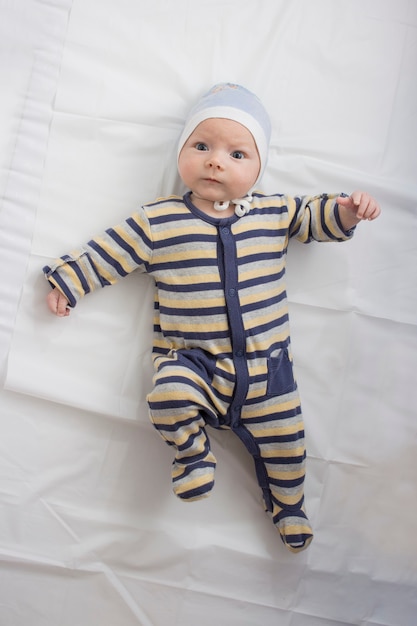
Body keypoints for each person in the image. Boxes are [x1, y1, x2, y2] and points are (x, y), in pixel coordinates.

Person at [43, 83, 380, 553]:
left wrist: (346, 212)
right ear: (182, 151)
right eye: (201, 146)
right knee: (165, 395)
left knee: (288, 441)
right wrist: (70, 278)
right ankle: (192, 454)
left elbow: (314, 219)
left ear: (259, 168)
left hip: (267, 370)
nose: (215, 161)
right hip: (193, 363)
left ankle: (289, 505)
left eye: (237, 153)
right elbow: (110, 250)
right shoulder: (158, 220)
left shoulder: (273, 212)